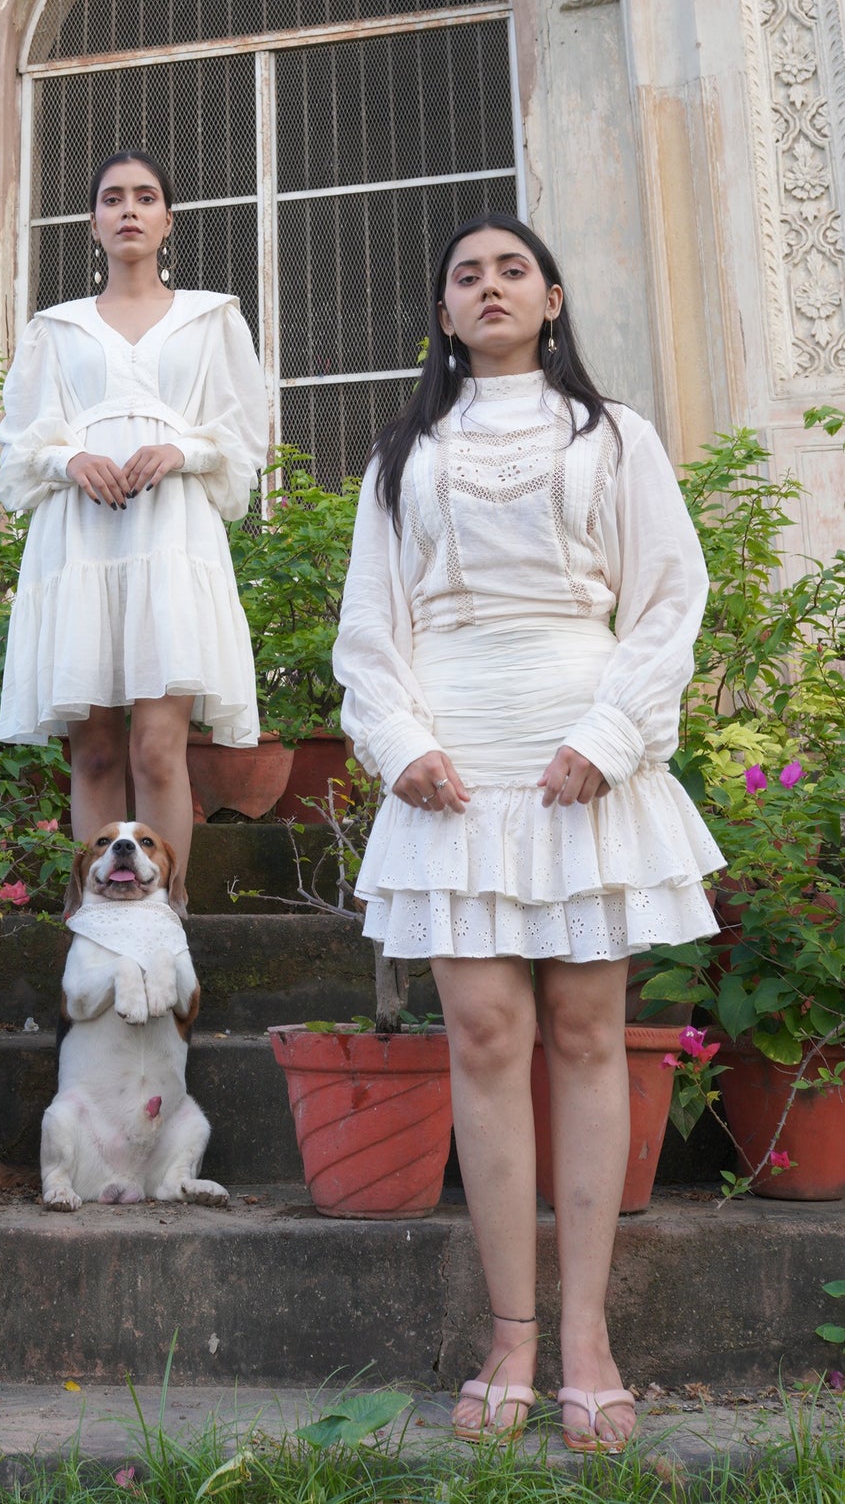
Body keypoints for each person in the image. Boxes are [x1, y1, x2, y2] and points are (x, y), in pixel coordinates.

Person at [334, 213, 722, 1453]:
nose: (488, 287)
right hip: (453, 768)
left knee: (587, 1033)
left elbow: (666, 596)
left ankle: (588, 1339)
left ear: (551, 298)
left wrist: (610, 734)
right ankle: (510, 1337)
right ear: (442, 310)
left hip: (579, 759)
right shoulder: (402, 454)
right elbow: (367, 627)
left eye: (511, 270)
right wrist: (398, 743)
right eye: (465, 275)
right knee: (485, 1035)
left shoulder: (613, 437)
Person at [0, 152, 268, 889]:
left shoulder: (211, 318)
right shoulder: (55, 328)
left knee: (156, 748)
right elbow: (21, 443)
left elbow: (242, 436)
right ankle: (98, 920)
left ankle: (165, 916)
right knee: (93, 753)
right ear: (93, 223)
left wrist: (181, 450)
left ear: (167, 220)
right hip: (78, 542)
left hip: (170, 539)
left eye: (145, 198)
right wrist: (69, 460)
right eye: (112, 198)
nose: (128, 210)